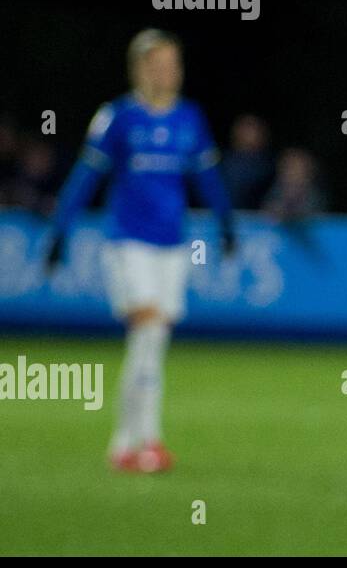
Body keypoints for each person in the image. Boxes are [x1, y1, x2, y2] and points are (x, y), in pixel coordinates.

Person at [44, 29, 236, 473]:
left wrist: (226, 223)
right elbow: (86, 176)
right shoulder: (118, 117)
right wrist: (60, 231)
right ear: (139, 69)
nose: (168, 73)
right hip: (128, 242)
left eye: (173, 64)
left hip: (173, 245)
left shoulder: (190, 117)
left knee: (152, 341)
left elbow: (207, 178)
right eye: (158, 64)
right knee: (148, 331)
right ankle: (149, 441)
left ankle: (123, 443)